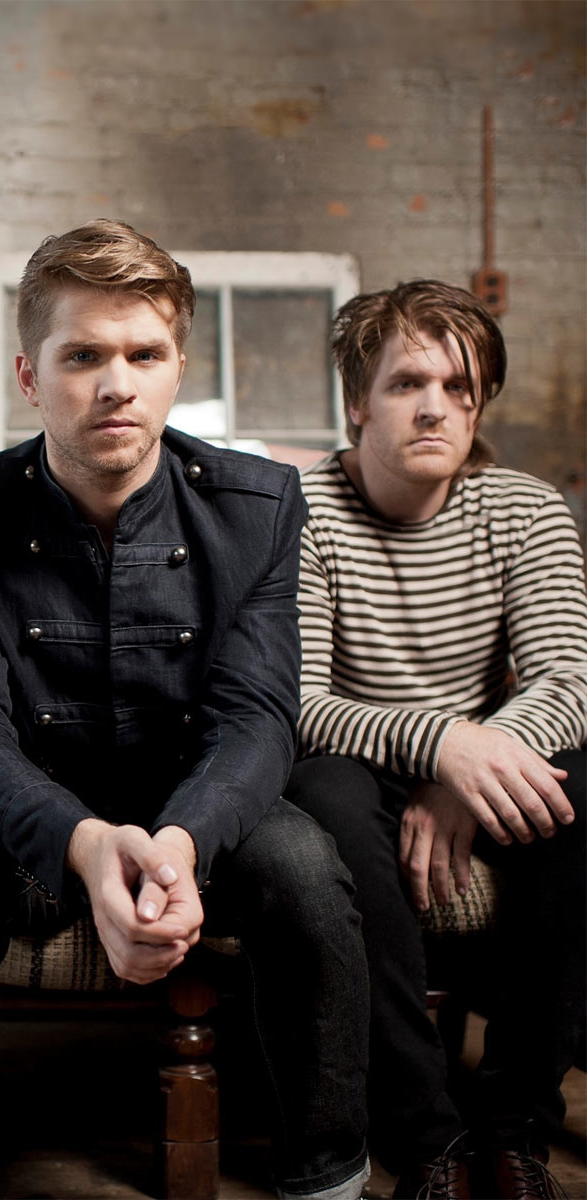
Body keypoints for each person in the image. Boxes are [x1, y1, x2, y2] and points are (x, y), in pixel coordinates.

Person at [0, 220, 371, 1200]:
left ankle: (327, 1183)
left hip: (200, 808)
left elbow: (258, 718)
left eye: (144, 355)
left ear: (179, 367)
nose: (116, 384)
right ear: (29, 375)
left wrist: (179, 842)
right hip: (32, 816)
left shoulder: (260, 505)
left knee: (307, 866)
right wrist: (87, 844)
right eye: (83, 356)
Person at [283, 280, 587, 1200]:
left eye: (459, 387)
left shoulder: (526, 510)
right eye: (408, 383)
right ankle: (428, 1138)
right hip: (355, 760)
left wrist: (466, 769)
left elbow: (566, 682)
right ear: (356, 402)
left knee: (580, 786)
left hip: (481, 758)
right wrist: (441, 749)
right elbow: (294, 701)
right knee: (322, 795)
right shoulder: (299, 511)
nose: (436, 408)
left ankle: (516, 1130)